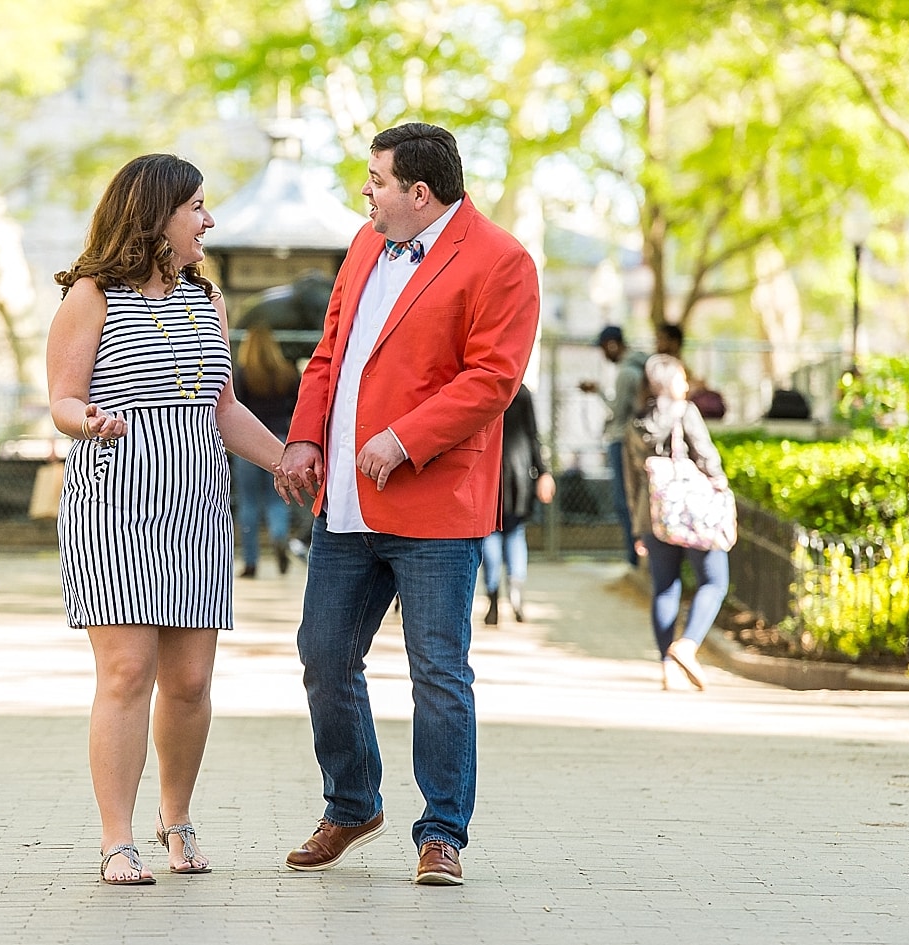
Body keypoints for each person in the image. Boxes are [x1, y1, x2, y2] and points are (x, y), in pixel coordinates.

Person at [277, 123, 539, 886]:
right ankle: (353, 802)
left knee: (439, 671)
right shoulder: (364, 248)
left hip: (434, 504)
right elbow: (329, 354)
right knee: (324, 656)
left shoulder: (501, 260)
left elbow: (493, 379)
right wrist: (302, 438)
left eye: (376, 178)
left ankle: (442, 831)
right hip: (347, 505)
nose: (366, 190)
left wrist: (405, 437)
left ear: (418, 193)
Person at [45, 154, 288, 886]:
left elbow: (225, 409)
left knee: (189, 679)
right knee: (126, 670)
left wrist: (286, 464)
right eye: (197, 207)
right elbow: (59, 398)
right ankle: (117, 837)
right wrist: (83, 419)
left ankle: (174, 815)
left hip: (198, 507)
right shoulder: (91, 296)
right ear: (155, 214)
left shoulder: (205, 301)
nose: (208, 220)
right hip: (113, 502)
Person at [623, 354, 731, 691]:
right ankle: (688, 644)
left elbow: (632, 480)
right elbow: (708, 457)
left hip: (652, 515)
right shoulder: (686, 412)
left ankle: (667, 666)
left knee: (665, 587)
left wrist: (637, 526)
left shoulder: (635, 423)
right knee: (714, 582)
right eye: (682, 378)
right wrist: (721, 487)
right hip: (694, 513)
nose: (687, 384)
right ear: (671, 381)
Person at [482, 385, 555, 625]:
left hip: (489, 473)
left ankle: (493, 598)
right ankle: (516, 593)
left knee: (491, 535)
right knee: (515, 534)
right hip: (518, 474)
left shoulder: (481, 387)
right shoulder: (521, 392)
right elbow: (533, 435)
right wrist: (543, 472)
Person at [232, 324, 300, 577]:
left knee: (249, 502)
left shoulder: (243, 373)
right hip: (280, 439)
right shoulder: (288, 372)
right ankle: (279, 535)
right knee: (277, 498)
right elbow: (295, 407)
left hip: (248, 442)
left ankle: (251, 563)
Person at [580, 325, 650, 566]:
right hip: (638, 441)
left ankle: (634, 558)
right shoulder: (639, 367)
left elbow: (617, 410)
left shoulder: (626, 372)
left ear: (612, 344)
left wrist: (597, 392)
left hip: (623, 441)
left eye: (603, 348)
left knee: (624, 501)